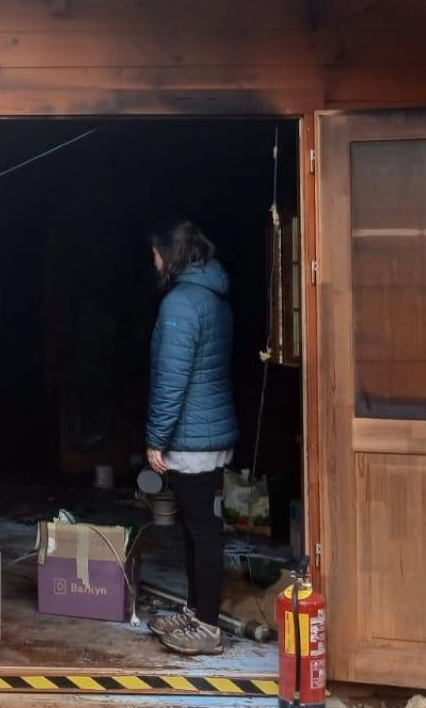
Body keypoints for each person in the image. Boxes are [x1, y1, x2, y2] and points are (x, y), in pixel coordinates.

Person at [141, 218, 237, 656]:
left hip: (191, 438)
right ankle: (198, 613)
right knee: (202, 528)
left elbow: (171, 379)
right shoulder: (214, 298)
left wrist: (156, 438)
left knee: (201, 530)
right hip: (212, 431)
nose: (154, 261)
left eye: (156, 254)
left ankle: (208, 627)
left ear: (172, 256)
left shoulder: (180, 304)